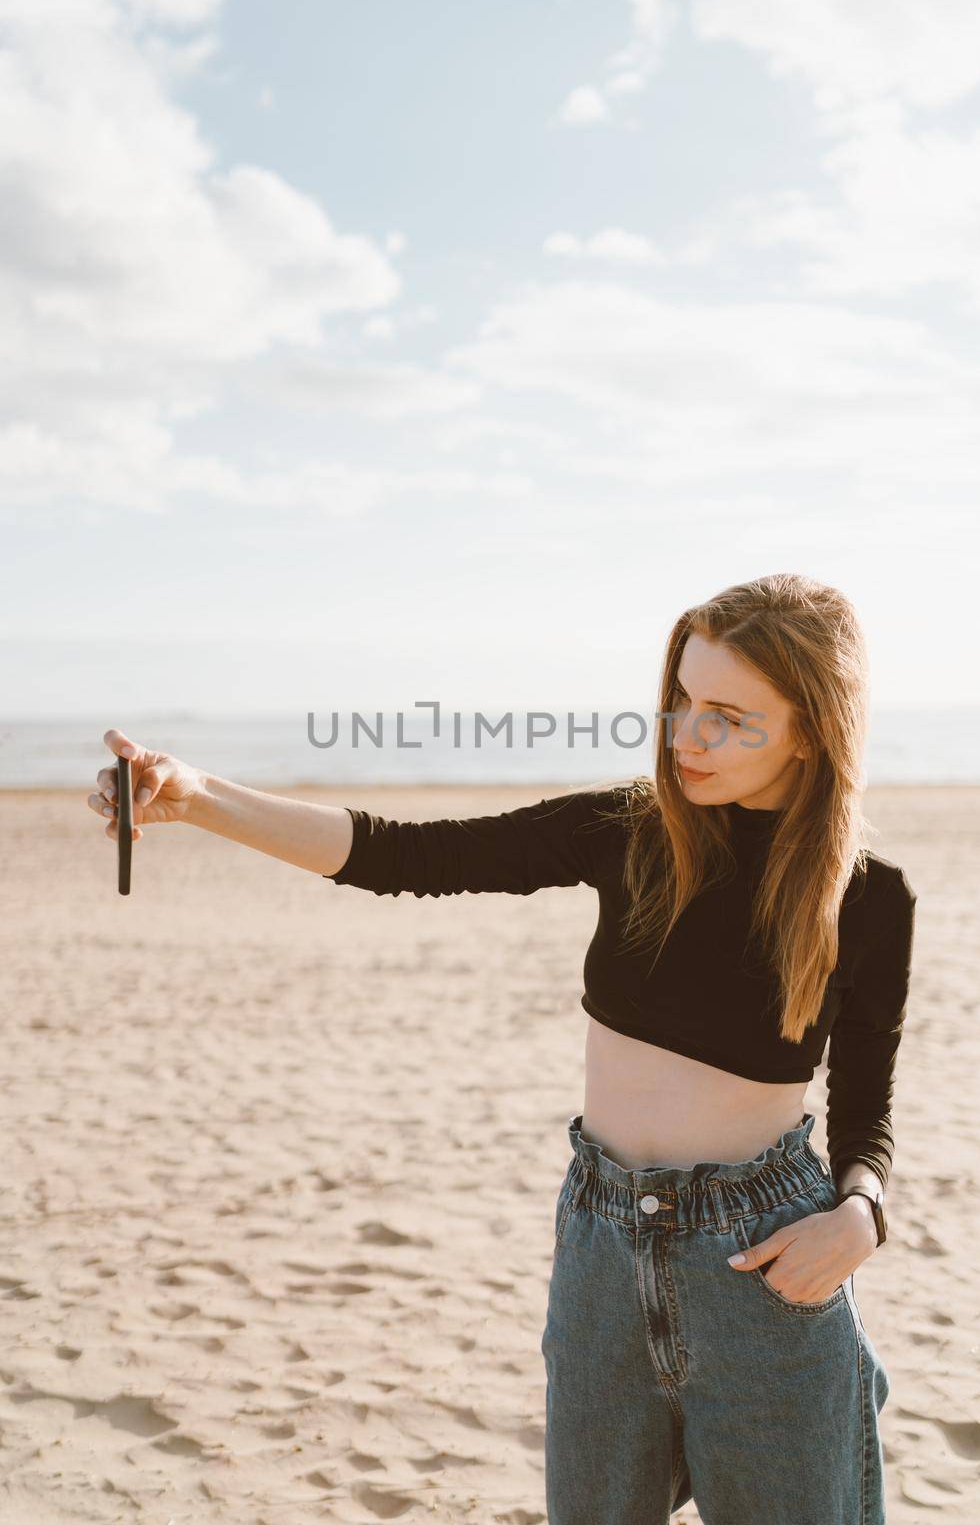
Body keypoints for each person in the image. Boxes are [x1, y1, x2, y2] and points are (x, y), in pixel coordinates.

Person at [89, 572, 915, 1525]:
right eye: (680, 700)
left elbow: (866, 1106)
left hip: (764, 1257)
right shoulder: (628, 832)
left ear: (811, 728)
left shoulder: (868, 897)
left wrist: (862, 1214)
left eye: (728, 717)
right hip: (601, 1246)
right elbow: (403, 855)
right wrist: (193, 797)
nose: (685, 736)